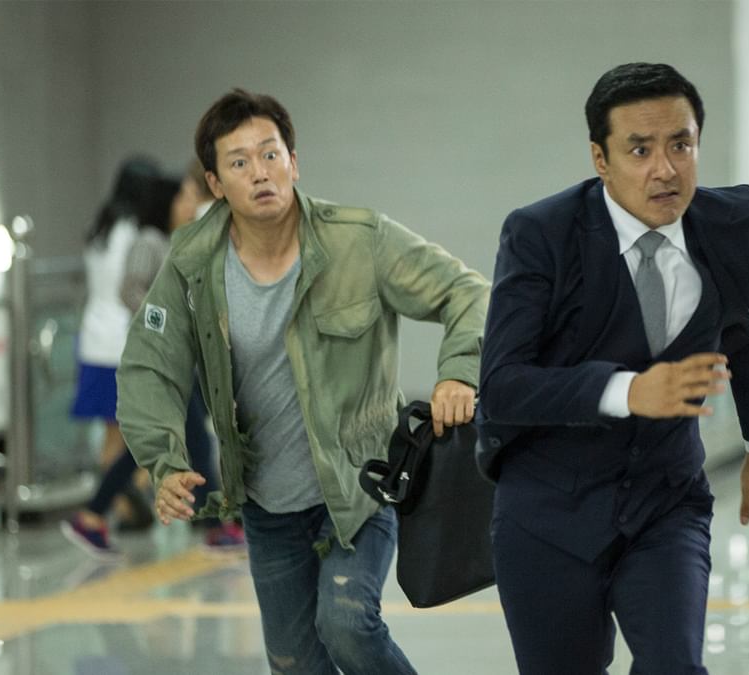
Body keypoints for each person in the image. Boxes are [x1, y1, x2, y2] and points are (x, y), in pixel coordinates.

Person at [117, 90, 488, 674]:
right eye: (239, 162)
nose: (259, 172)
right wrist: (164, 461)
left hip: (360, 486)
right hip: (267, 504)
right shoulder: (192, 262)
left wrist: (458, 374)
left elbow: (467, 292)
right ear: (215, 184)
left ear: (294, 162)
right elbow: (150, 363)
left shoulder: (358, 240)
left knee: (347, 623)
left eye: (271, 154)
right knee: (294, 663)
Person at [477, 63, 749, 673]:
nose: (665, 169)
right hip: (549, 514)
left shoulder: (735, 221)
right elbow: (503, 387)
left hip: (667, 500)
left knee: (676, 666)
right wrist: (628, 390)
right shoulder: (541, 234)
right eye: (640, 150)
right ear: (601, 158)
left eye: (681, 145)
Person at [63, 169, 245, 558]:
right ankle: (214, 526)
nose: (191, 204)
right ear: (167, 203)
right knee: (192, 441)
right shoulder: (148, 241)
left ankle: (93, 515)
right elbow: (130, 290)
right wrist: (165, 321)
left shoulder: (173, 241)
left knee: (162, 444)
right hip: (161, 361)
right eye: (184, 197)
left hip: (177, 360)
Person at [63, 159, 165, 556]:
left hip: (94, 337)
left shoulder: (99, 227)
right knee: (132, 434)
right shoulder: (135, 233)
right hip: (122, 340)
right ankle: (110, 510)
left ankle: (119, 507)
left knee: (114, 433)